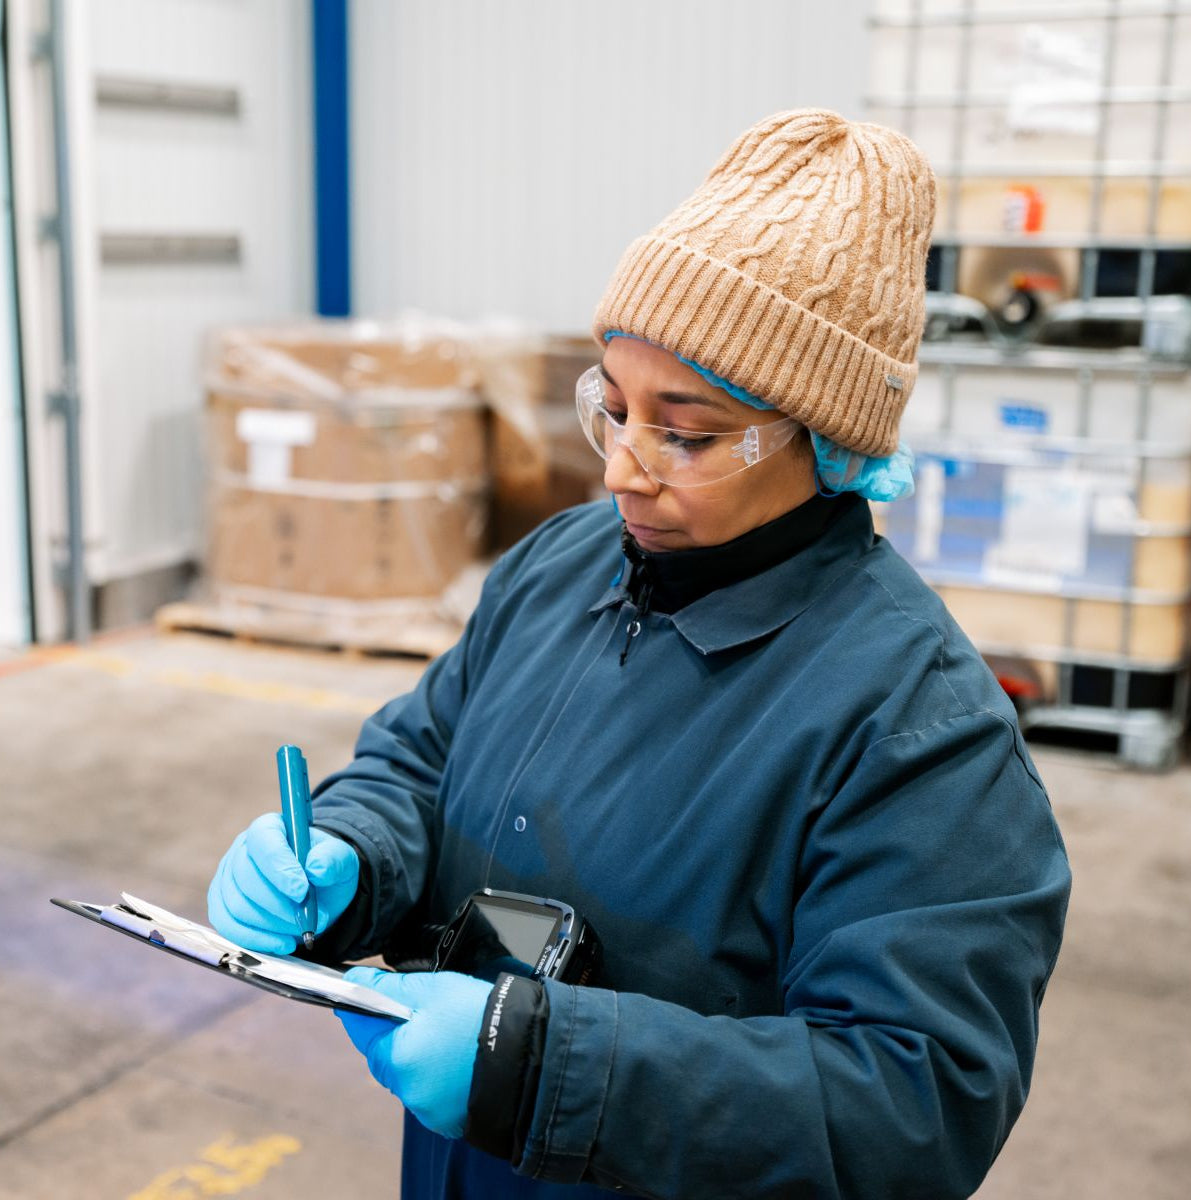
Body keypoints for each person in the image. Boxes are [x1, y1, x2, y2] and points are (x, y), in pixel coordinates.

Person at [208, 109, 1070, 1199]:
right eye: (612, 410)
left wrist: (542, 1070)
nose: (623, 469)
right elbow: (422, 759)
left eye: (687, 435)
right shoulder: (560, 565)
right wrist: (348, 855)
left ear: (827, 440)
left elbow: (914, 1102)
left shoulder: (918, 729)